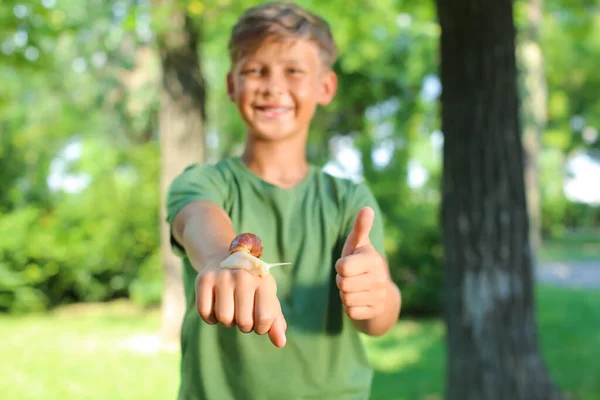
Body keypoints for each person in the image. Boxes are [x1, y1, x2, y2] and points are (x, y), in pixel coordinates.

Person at [166, 2, 402, 399]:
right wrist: (222, 262)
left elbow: (380, 320)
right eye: (255, 70)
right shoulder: (201, 182)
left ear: (325, 87)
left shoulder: (349, 200)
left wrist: (376, 294)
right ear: (231, 85)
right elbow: (200, 222)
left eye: (293, 71)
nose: (273, 86)